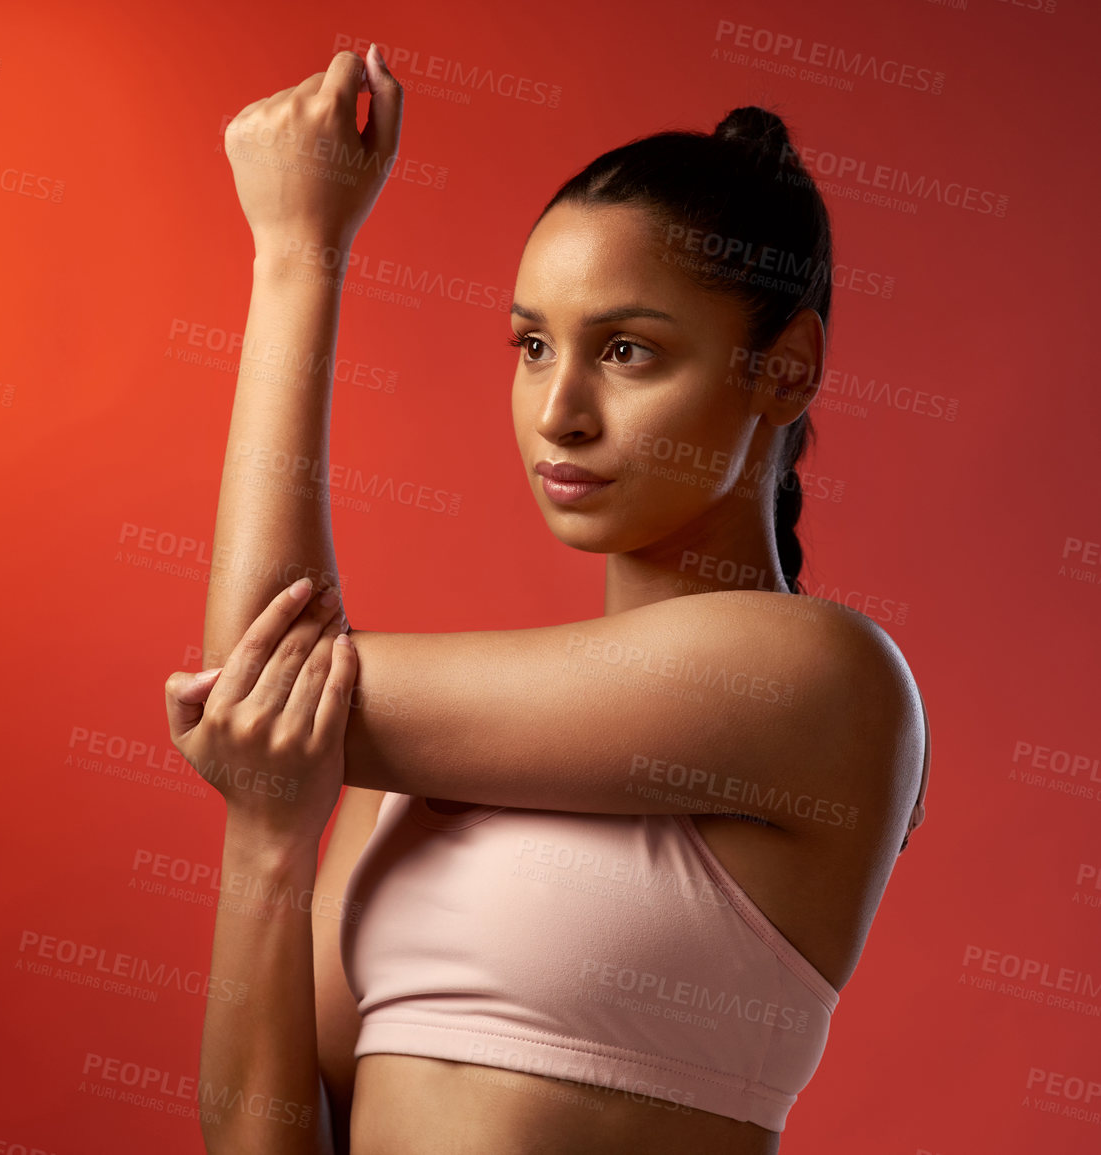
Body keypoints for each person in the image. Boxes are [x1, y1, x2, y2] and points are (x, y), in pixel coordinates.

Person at [163, 42, 930, 1155]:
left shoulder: (823, 683)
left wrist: (297, 253)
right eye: (532, 345)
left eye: (626, 350)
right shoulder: (403, 787)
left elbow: (260, 670)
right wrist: (270, 837)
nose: (558, 411)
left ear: (788, 368)